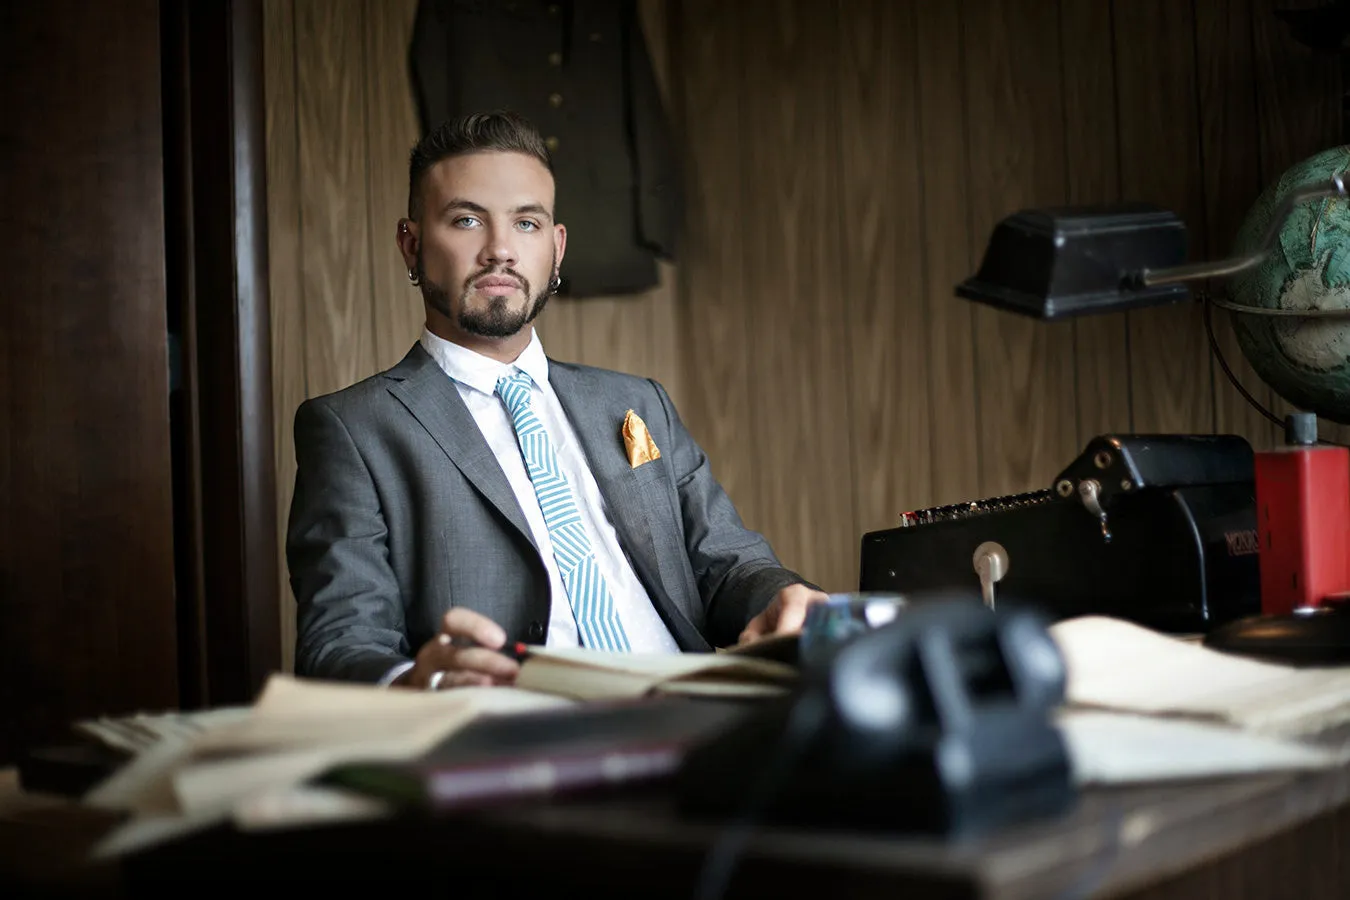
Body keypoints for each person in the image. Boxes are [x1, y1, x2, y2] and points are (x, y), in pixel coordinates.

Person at [287, 111, 827, 690]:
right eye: (467, 220)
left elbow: (727, 566)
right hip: (523, 731)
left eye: (526, 223)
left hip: (695, 705)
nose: (500, 250)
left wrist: (777, 595)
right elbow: (340, 640)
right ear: (411, 245)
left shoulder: (637, 402)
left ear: (557, 246)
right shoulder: (353, 428)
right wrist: (422, 684)